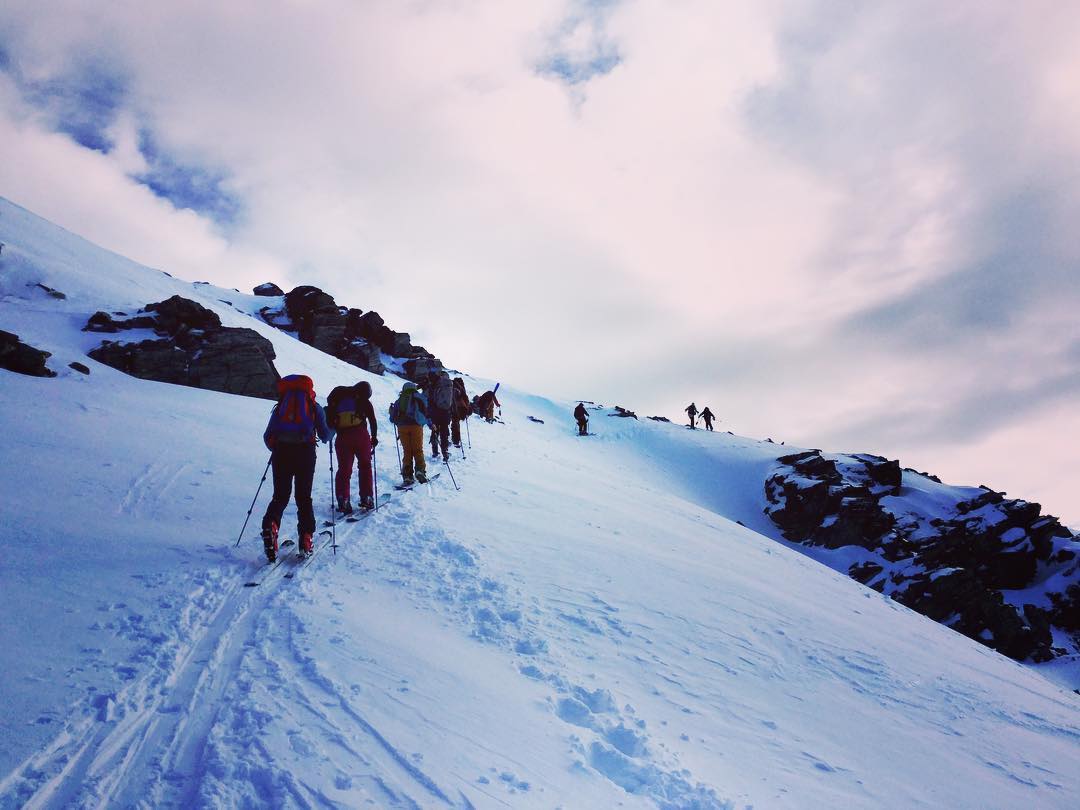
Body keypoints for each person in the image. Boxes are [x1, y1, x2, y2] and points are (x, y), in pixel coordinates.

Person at [261, 374, 332, 562]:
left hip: (281, 453)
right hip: (305, 453)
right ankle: (306, 538)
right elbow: (325, 435)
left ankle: (271, 526)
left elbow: (268, 436)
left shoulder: (280, 408)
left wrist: (278, 447)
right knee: (303, 497)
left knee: (280, 496)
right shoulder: (313, 407)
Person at [326, 380, 378, 514]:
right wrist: (374, 437)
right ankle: (367, 497)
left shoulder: (338, 398)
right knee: (365, 466)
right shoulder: (364, 401)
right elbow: (372, 420)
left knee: (344, 469)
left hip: (342, 437)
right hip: (361, 436)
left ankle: (343, 498)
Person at [389, 380, 428, 485]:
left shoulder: (400, 400)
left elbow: (392, 419)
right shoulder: (419, 397)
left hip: (402, 427)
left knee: (407, 451)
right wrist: (429, 423)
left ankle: (407, 475)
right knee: (418, 450)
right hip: (416, 426)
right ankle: (420, 471)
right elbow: (426, 411)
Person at [427, 371, 454, 462]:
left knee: (435, 431)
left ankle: (435, 451)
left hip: (435, 412)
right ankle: (445, 452)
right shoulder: (449, 385)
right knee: (444, 433)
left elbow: (430, 399)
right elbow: (452, 400)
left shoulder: (434, 385)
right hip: (446, 413)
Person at [451, 377, 469, 447]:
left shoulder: (453, 386)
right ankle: (456, 440)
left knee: (454, 423)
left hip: (451, 407)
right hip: (459, 408)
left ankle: (454, 439)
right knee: (456, 423)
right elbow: (465, 398)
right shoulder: (460, 388)